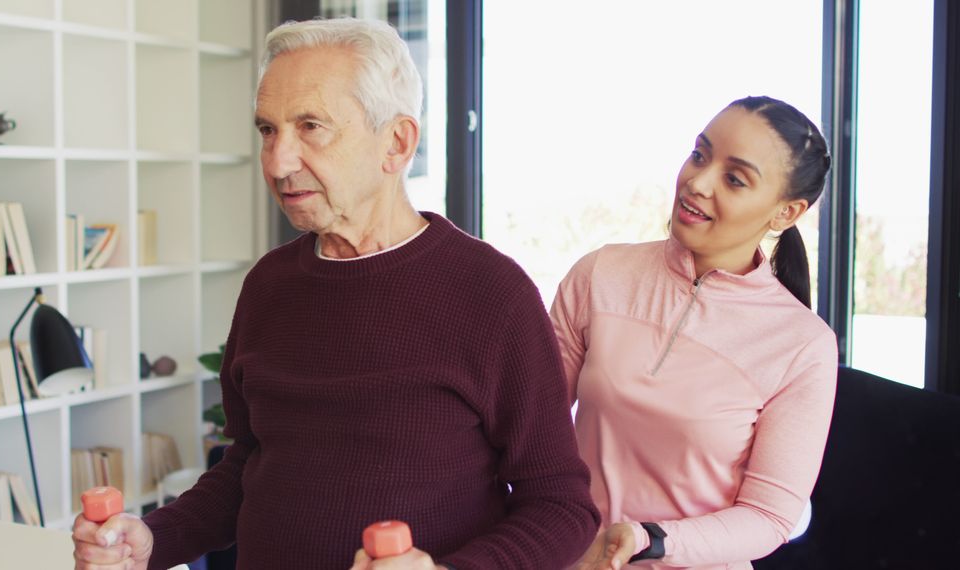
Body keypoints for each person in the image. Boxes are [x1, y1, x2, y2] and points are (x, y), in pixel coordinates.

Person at [72, 17, 600, 570]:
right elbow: (248, 466)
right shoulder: (268, 286)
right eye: (267, 130)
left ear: (396, 143)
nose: (278, 162)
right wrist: (155, 539)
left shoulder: (492, 294)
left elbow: (561, 508)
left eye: (311, 127)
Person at [551, 96, 837, 570]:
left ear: (786, 213)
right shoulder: (601, 274)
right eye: (700, 155)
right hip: (573, 558)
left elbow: (768, 517)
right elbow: (527, 422)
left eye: (734, 179)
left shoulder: (802, 346)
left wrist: (652, 540)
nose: (696, 182)